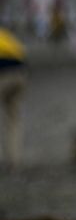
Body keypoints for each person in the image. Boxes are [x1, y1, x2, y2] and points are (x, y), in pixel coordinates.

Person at [0, 26, 26, 170]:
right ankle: (14, 160)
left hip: (3, 76)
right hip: (20, 75)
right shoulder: (5, 35)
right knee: (13, 120)